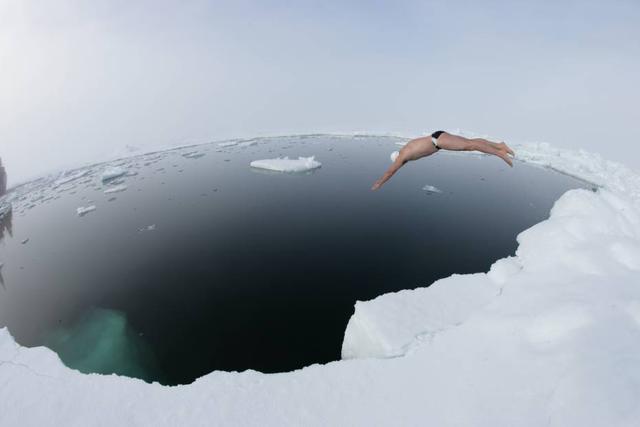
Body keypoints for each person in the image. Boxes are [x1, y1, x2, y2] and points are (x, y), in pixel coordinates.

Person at [371, 131, 515, 190]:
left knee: (470, 146)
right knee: (470, 143)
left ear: (397, 158)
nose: (402, 164)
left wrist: (378, 184)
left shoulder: (402, 156)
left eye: (400, 162)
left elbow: (390, 172)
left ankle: (499, 153)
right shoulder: (406, 151)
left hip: (438, 141)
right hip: (438, 138)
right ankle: (499, 145)